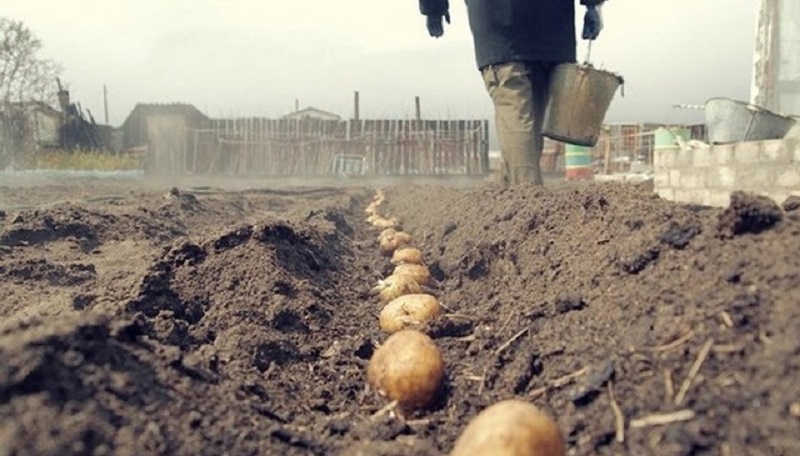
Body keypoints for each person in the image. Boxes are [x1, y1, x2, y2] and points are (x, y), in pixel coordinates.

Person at [419, 0, 606, 186]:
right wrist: (592, 6)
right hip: (551, 24)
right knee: (533, 121)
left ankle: (528, 198)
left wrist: (433, 9)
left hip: (501, 28)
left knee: (516, 113)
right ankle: (514, 196)